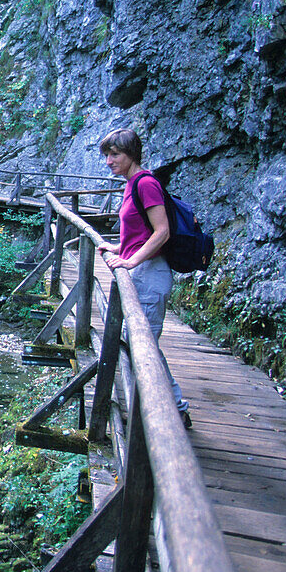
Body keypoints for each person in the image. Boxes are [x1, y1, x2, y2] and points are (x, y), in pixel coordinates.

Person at [96, 128, 191, 428]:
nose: (109, 161)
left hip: (150, 275)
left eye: (115, 155)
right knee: (139, 343)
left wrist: (130, 260)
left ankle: (170, 411)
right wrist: (118, 247)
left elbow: (161, 231)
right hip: (141, 272)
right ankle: (168, 408)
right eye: (107, 155)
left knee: (144, 346)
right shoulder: (131, 183)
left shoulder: (146, 183)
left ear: (131, 155)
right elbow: (140, 231)